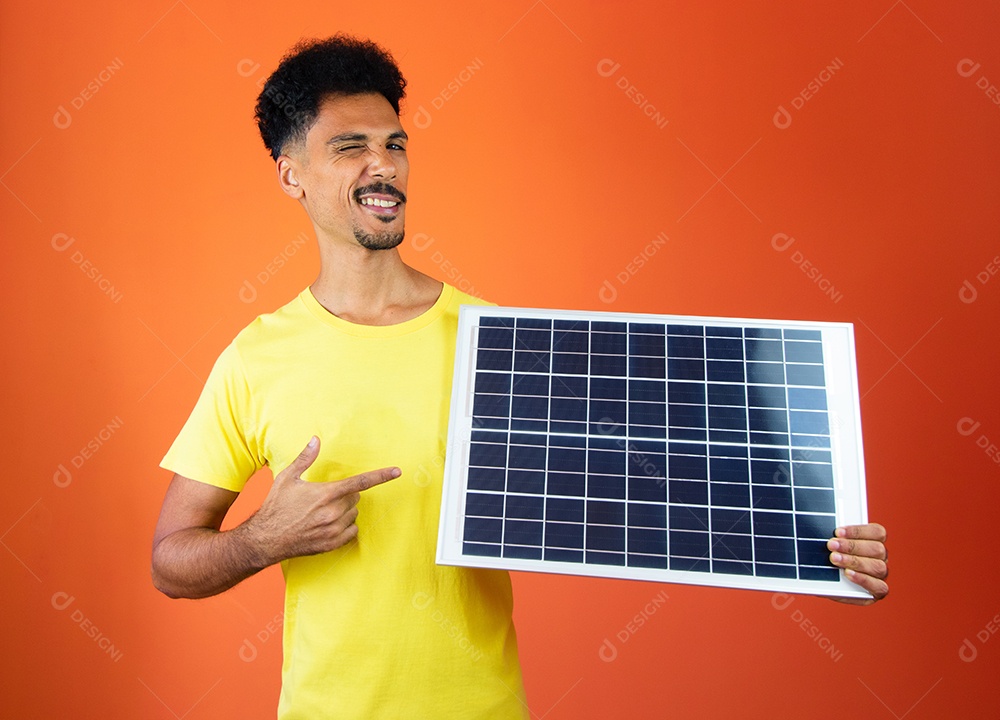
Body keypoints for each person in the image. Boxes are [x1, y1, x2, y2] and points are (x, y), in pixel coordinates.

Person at [151, 34, 889, 719]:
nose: (384, 167)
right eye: (351, 147)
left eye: (395, 145)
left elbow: (662, 487)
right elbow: (171, 559)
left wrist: (817, 552)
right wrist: (262, 540)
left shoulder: (503, 347)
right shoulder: (257, 357)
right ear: (291, 175)